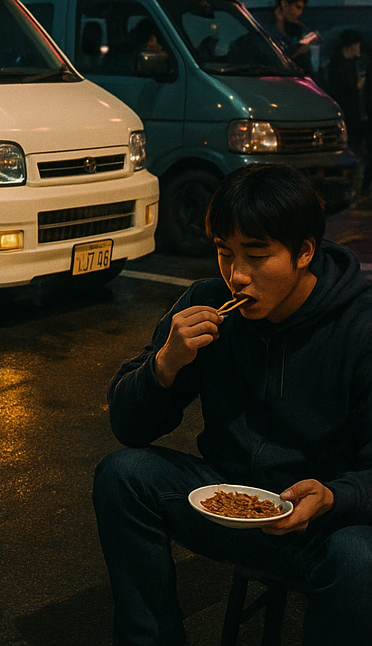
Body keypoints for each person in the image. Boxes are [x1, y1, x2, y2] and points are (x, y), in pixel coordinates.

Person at [92, 165, 372, 646]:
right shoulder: (205, 301)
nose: (237, 275)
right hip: (230, 505)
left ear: (304, 251)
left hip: (318, 524)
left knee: (358, 558)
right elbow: (127, 425)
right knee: (124, 475)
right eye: (225, 253)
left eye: (258, 255)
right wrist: (165, 364)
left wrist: (333, 497)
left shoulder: (360, 326)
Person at [327, 29, 372, 194]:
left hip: (362, 116)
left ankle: (361, 187)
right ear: (351, 46)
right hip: (351, 117)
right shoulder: (338, 66)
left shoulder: (360, 64)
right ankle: (357, 188)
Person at [267, 0, 316, 74]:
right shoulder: (264, 30)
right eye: (297, 7)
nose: (299, 13)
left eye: (301, 8)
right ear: (284, 4)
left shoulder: (298, 31)